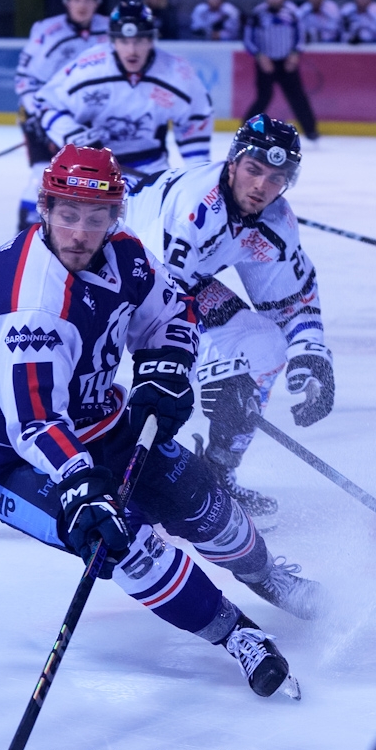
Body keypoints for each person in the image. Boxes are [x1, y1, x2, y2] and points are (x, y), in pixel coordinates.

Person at [0, 146, 326, 698]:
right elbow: (37, 424)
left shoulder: (125, 254)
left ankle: (267, 575)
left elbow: (170, 312)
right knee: (124, 546)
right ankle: (237, 635)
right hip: (7, 447)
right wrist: (82, 488)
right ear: (45, 209)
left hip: (94, 414)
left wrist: (164, 369)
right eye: (67, 215)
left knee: (208, 508)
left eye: (96, 218)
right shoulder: (28, 302)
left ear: (116, 216)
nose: (80, 233)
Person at [125, 114, 334, 517]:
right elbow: (152, 305)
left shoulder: (275, 222)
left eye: (276, 178)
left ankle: (217, 473)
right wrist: (212, 370)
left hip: (177, 282)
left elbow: (291, 302)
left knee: (263, 348)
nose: (261, 186)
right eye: (254, 170)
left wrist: (310, 354)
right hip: (114, 276)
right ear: (233, 162)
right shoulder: (195, 210)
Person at [33, 0, 213, 175]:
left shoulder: (177, 73)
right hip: (91, 168)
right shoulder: (88, 68)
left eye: (140, 40)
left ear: (152, 40)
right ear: (112, 41)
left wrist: (196, 175)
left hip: (151, 168)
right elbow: (46, 102)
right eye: (123, 41)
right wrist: (73, 134)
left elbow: (196, 118)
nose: (132, 50)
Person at [14, 0, 109, 230]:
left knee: (90, 178)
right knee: (42, 174)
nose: (83, 5)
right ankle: (27, 232)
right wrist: (36, 115)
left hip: (87, 119)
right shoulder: (47, 32)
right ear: (67, 1)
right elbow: (24, 80)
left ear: (97, 2)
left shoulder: (110, 29)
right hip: (46, 115)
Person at [244, 0, 319, 141]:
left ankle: (311, 131)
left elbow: (301, 36)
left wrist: (294, 54)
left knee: (297, 96)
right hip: (265, 63)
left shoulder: (292, 12)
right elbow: (248, 39)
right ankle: (246, 128)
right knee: (264, 97)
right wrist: (260, 56)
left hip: (287, 62)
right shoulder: (258, 14)